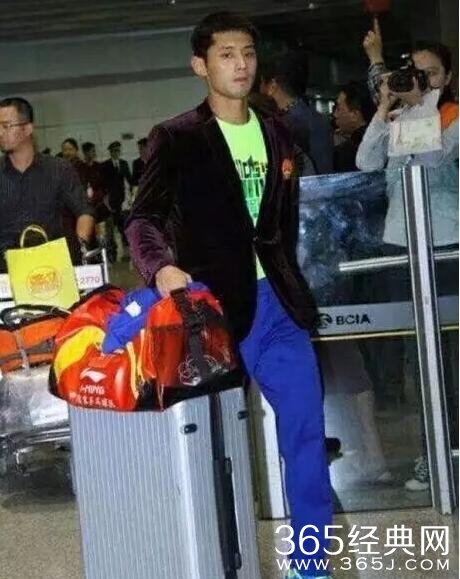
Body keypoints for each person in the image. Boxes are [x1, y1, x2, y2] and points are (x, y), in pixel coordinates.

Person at [126, 12, 332, 579]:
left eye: (247, 53)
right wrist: (160, 268)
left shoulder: (278, 133)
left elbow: (279, 224)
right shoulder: (178, 137)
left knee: (306, 432)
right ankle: (214, 561)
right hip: (212, 314)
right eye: (226, 55)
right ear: (200, 65)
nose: (240, 65)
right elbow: (141, 219)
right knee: (212, 445)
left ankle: (311, 563)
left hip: (279, 308)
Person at [357, 34, 459, 492]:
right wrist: (384, 107)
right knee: (419, 361)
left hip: (447, 246)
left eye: (429, 73)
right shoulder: (396, 118)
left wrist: (421, 105)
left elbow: (434, 155)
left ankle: (449, 450)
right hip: (401, 246)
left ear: (447, 77)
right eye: (412, 73)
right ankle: (432, 453)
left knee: (452, 357)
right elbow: (365, 161)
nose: (419, 81)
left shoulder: (452, 117)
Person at [0, 97, 94, 271]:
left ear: (28, 128)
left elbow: (84, 211)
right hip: (5, 272)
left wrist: (80, 248)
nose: (0, 132)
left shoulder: (59, 169)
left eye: (6, 126)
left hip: (52, 268)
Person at [258, 49, 334, 174]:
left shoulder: (282, 125)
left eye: (262, 84)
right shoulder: (318, 120)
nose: (261, 91)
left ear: (272, 86)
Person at [332, 81, 375, 172]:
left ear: (355, 114)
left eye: (338, 109)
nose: (335, 115)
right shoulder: (383, 138)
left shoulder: (345, 152)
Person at [101, 141, 133, 261]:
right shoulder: (105, 165)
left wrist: (130, 197)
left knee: (123, 227)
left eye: (118, 150)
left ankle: (127, 253)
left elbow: (129, 179)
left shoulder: (123, 163)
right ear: (110, 152)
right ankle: (112, 254)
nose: (117, 153)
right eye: (114, 151)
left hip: (123, 201)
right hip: (111, 201)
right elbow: (104, 183)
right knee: (110, 230)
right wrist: (106, 200)